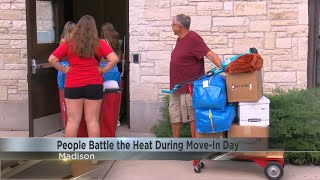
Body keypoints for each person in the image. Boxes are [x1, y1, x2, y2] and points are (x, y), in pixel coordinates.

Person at [48, 15, 119, 137]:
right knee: (92, 121)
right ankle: (94, 154)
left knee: (72, 121)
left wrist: (65, 70)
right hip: (94, 84)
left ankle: (71, 154)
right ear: (94, 29)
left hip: (73, 84)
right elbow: (114, 59)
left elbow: (52, 59)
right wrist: (102, 70)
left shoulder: (68, 43)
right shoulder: (100, 43)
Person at [169, 14, 222, 138]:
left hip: (189, 88)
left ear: (178, 26)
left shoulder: (193, 38)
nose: (171, 27)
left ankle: (195, 150)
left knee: (192, 118)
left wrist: (224, 68)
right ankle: (175, 145)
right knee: (175, 116)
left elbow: (209, 54)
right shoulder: (180, 39)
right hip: (176, 87)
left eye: (172, 25)